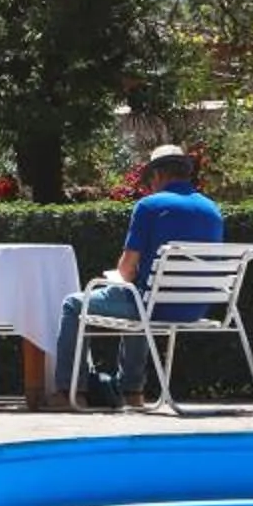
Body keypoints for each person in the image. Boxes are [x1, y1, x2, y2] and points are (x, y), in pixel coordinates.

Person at [52, 144, 223, 407]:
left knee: (75, 304)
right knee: (142, 298)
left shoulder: (149, 206)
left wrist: (120, 278)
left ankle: (70, 392)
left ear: (158, 175)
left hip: (154, 305)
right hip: (195, 307)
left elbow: (126, 270)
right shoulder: (212, 210)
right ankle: (132, 393)